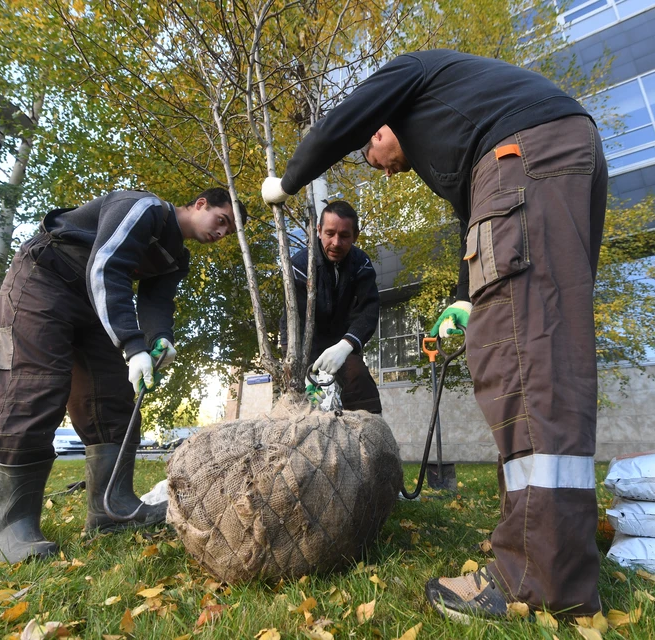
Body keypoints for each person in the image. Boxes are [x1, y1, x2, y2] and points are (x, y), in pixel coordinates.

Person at [260, 49, 607, 620]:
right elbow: (472, 213)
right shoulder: (465, 123)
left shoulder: (408, 75)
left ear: (381, 124)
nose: (383, 167)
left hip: (528, 160)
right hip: (566, 158)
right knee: (545, 347)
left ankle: (537, 577)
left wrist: (290, 178)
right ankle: (549, 550)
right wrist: (465, 297)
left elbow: (341, 119)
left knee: (524, 361)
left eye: (372, 154)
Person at [0, 188, 246, 563]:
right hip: (44, 280)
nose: (221, 233)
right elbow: (106, 266)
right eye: (222, 220)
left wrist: (159, 339)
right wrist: (132, 346)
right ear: (200, 203)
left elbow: (156, 301)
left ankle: (111, 510)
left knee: (110, 400)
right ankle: (9, 527)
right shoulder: (143, 208)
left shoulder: (176, 257)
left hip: (94, 305)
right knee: (35, 389)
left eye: (228, 231)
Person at [280, 200, 381, 412]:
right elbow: (291, 319)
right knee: (306, 406)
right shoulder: (299, 266)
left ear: (356, 236)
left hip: (343, 343)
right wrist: (296, 366)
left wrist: (346, 345)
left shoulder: (361, 264)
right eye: (329, 233)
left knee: (358, 378)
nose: (336, 242)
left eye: (344, 236)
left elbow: (368, 309)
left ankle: (372, 436)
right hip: (309, 348)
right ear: (318, 231)